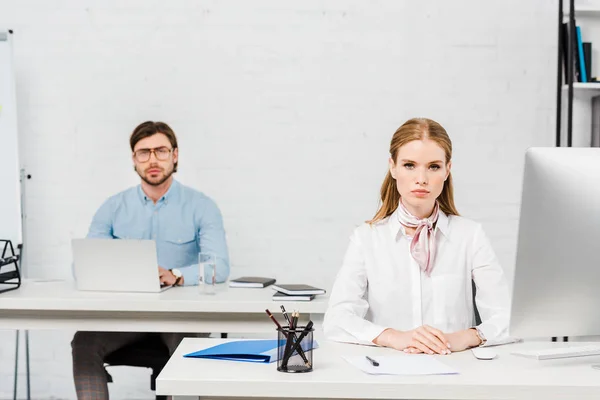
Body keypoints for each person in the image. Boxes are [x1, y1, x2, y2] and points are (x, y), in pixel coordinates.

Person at [323, 117, 510, 355]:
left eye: (433, 166)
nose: (421, 178)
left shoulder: (470, 235)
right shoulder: (366, 238)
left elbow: (507, 318)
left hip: (457, 371)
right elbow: (337, 320)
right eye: (409, 165)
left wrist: (466, 337)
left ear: (447, 170)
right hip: (388, 373)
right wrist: (393, 337)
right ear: (393, 167)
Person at [71, 121, 230, 399]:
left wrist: (176, 274)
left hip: (180, 318)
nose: (153, 160)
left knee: (186, 344)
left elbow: (219, 265)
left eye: (161, 151)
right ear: (134, 159)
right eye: (144, 152)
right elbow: (83, 265)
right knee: (84, 342)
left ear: (175, 155)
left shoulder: (201, 206)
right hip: (126, 316)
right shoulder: (112, 207)